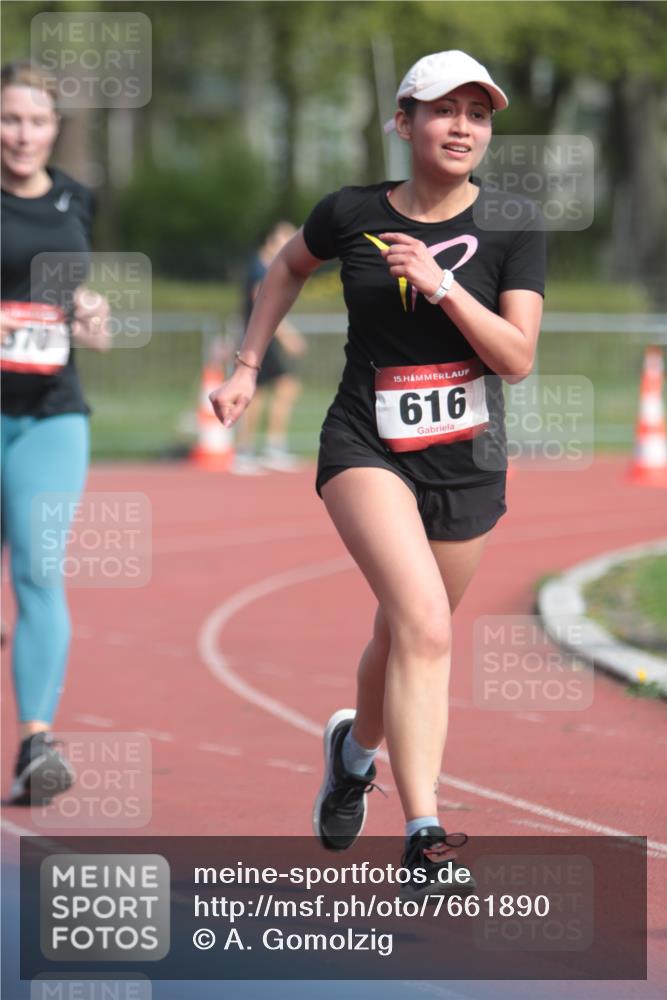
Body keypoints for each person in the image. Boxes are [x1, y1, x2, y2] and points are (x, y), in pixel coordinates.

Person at [210, 50, 545, 894]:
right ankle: (424, 832)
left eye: (478, 112)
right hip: (364, 444)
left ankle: (353, 751)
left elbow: (515, 359)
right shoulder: (350, 212)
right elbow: (287, 268)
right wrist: (248, 364)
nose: (462, 126)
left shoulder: (511, 222)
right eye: (443, 110)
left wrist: (441, 287)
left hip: (466, 462)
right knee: (426, 627)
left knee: (401, 635)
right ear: (403, 122)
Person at [1, 62, 111, 804]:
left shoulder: (79, 199)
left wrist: (92, 317)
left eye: (36, 121)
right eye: (9, 120)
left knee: (40, 572)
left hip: (52, 411)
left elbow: (78, 302)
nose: (22, 135)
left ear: (55, 127)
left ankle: (36, 742)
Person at [232, 221, 307, 474]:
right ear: (271, 239)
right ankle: (246, 451)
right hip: (257, 341)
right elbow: (263, 306)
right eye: (285, 238)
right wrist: (288, 336)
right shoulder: (259, 269)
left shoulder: (268, 266)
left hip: (263, 340)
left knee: (276, 390)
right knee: (262, 393)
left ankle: (267, 447)